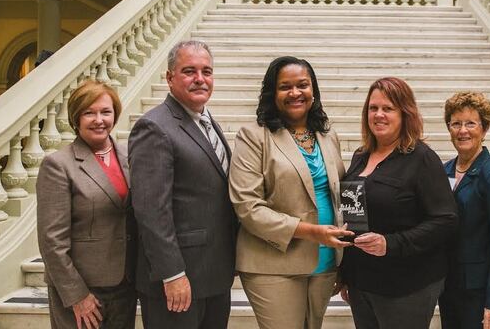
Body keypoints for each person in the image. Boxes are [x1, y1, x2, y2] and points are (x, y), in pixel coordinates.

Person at [228, 56, 354, 329]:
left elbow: (340, 194)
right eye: (285, 86)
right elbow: (248, 206)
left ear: (313, 91)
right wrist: (312, 231)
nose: (295, 93)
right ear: (272, 93)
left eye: (303, 85)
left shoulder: (326, 135)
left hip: (325, 261)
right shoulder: (253, 136)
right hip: (272, 263)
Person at [128, 40, 236, 329]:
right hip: (177, 280)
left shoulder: (208, 121)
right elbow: (151, 211)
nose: (200, 79)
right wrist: (172, 274)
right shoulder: (154, 127)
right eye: (189, 71)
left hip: (213, 274)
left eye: (207, 71)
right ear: (169, 77)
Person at [339, 77, 458, 329]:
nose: (379, 115)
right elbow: (355, 217)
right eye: (373, 108)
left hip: (406, 286)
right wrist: (348, 274)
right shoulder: (361, 156)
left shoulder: (422, 158)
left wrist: (390, 243)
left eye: (388, 108)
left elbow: (445, 220)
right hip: (363, 282)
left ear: (405, 113)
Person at [37, 80, 136, 329]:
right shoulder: (58, 165)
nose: (99, 119)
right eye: (89, 113)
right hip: (82, 291)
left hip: (125, 285)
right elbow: (52, 241)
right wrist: (77, 296)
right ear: (75, 118)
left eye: (105, 111)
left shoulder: (130, 156)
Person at [439, 92, 490, 329]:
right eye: (456, 124)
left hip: (480, 292)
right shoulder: (444, 170)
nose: (463, 131)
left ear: (485, 128)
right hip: (449, 286)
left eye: (471, 123)